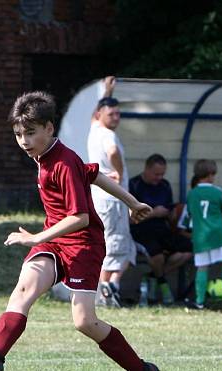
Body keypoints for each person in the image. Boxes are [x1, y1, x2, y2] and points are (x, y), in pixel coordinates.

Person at [0, 91, 161, 371]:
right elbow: (96, 173)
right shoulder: (47, 156)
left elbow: (80, 218)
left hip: (84, 244)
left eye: (30, 133)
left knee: (84, 321)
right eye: (18, 134)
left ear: (49, 128)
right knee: (24, 289)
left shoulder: (61, 162)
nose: (24, 141)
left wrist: (35, 237)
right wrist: (132, 202)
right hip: (55, 242)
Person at [87, 77, 137, 307]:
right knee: (116, 245)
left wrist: (106, 93)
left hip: (100, 199)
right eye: (111, 114)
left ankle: (106, 290)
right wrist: (118, 170)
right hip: (113, 200)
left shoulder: (95, 129)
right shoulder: (108, 135)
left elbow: (94, 115)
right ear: (101, 115)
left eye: (118, 114)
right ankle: (106, 290)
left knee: (116, 244)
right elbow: (113, 151)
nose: (116, 118)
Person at [128, 154, 193, 305]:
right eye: (156, 174)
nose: (159, 177)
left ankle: (151, 277)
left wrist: (171, 214)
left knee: (188, 250)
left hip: (162, 229)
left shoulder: (165, 185)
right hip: (141, 230)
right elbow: (130, 219)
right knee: (157, 256)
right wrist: (153, 213)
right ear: (147, 169)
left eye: (162, 174)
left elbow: (169, 210)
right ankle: (163, 284)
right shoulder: (134, 185)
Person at [180, 160, 222, 309]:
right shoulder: (218, 192)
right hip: (218, 235)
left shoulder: (192, 194)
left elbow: (189, 215)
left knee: (202, 267)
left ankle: (200, 302)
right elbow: (221, 213)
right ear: (210, 175)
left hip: (201, 236)